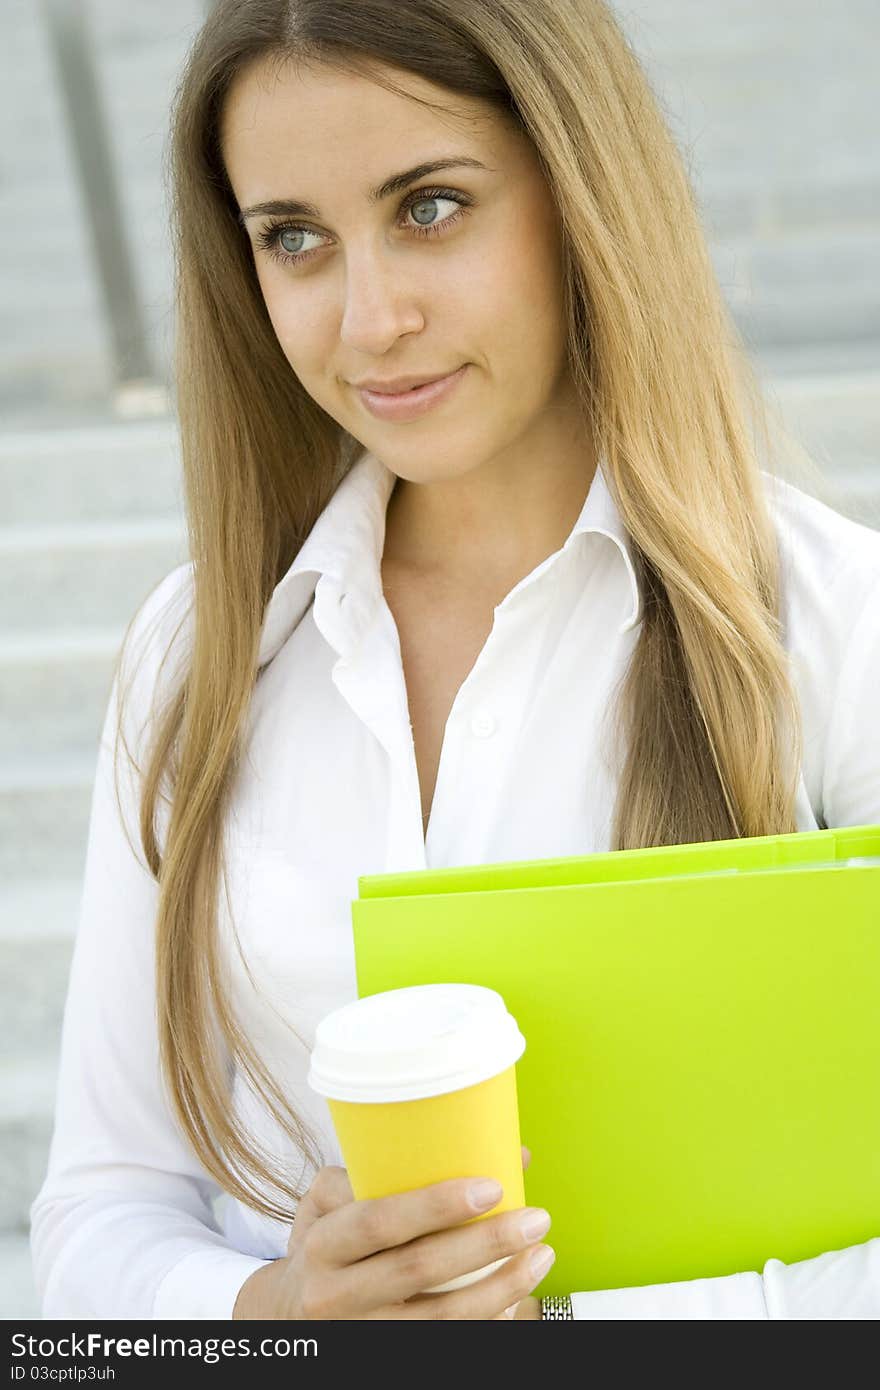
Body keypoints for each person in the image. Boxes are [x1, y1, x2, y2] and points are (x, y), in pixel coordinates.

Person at [30, 0, 880, 1320]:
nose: (370, 320)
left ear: (579, 189)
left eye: (429, 206)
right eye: (295, 239)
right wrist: (280, 1314)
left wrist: (557, 1326)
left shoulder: (829, 629)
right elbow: (97, 1208)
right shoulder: (191, 656)